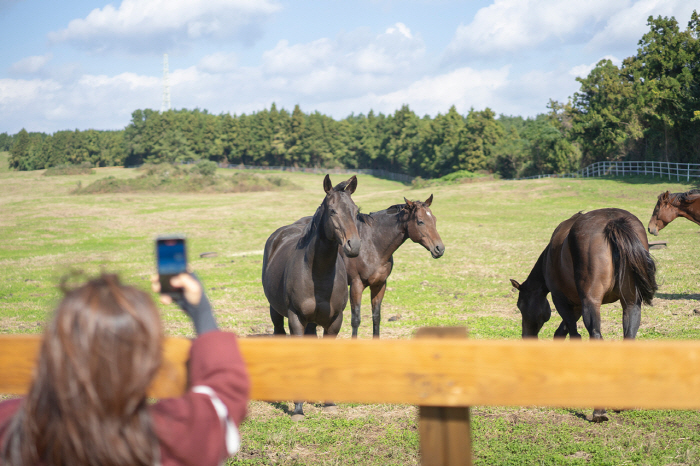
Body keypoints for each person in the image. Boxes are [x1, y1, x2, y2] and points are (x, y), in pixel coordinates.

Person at [0, 272, 249, 466]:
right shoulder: (174, 435)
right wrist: (201, 311)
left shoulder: (10, 427)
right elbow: (224, 391)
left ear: (54, 353)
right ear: (146, 364)